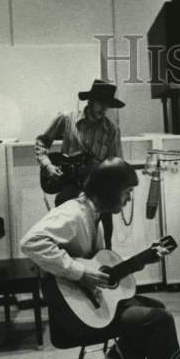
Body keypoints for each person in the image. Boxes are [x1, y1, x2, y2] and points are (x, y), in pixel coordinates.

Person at [20, 158, 180, 359]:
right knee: (159, 320)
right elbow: (30, 242)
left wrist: (140, 261)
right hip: (71, 319)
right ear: (109, 190)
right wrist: (79, 273)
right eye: (126, 192)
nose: (128, 199)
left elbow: (100, 268)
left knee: (153, 306)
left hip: (83, 306)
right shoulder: (72, 213)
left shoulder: (93, 213)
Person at [35, 79, 124, 249]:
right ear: (90, 101)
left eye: (107, 105)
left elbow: (116, 163)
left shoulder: (112, 130)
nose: (104, 108)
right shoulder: (66, 118)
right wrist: (48, 165)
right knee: (65, 216)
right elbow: (42, 142)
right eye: (101, 103)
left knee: (104, 222)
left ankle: (104, 255)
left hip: (96, 185)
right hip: (70, 182)